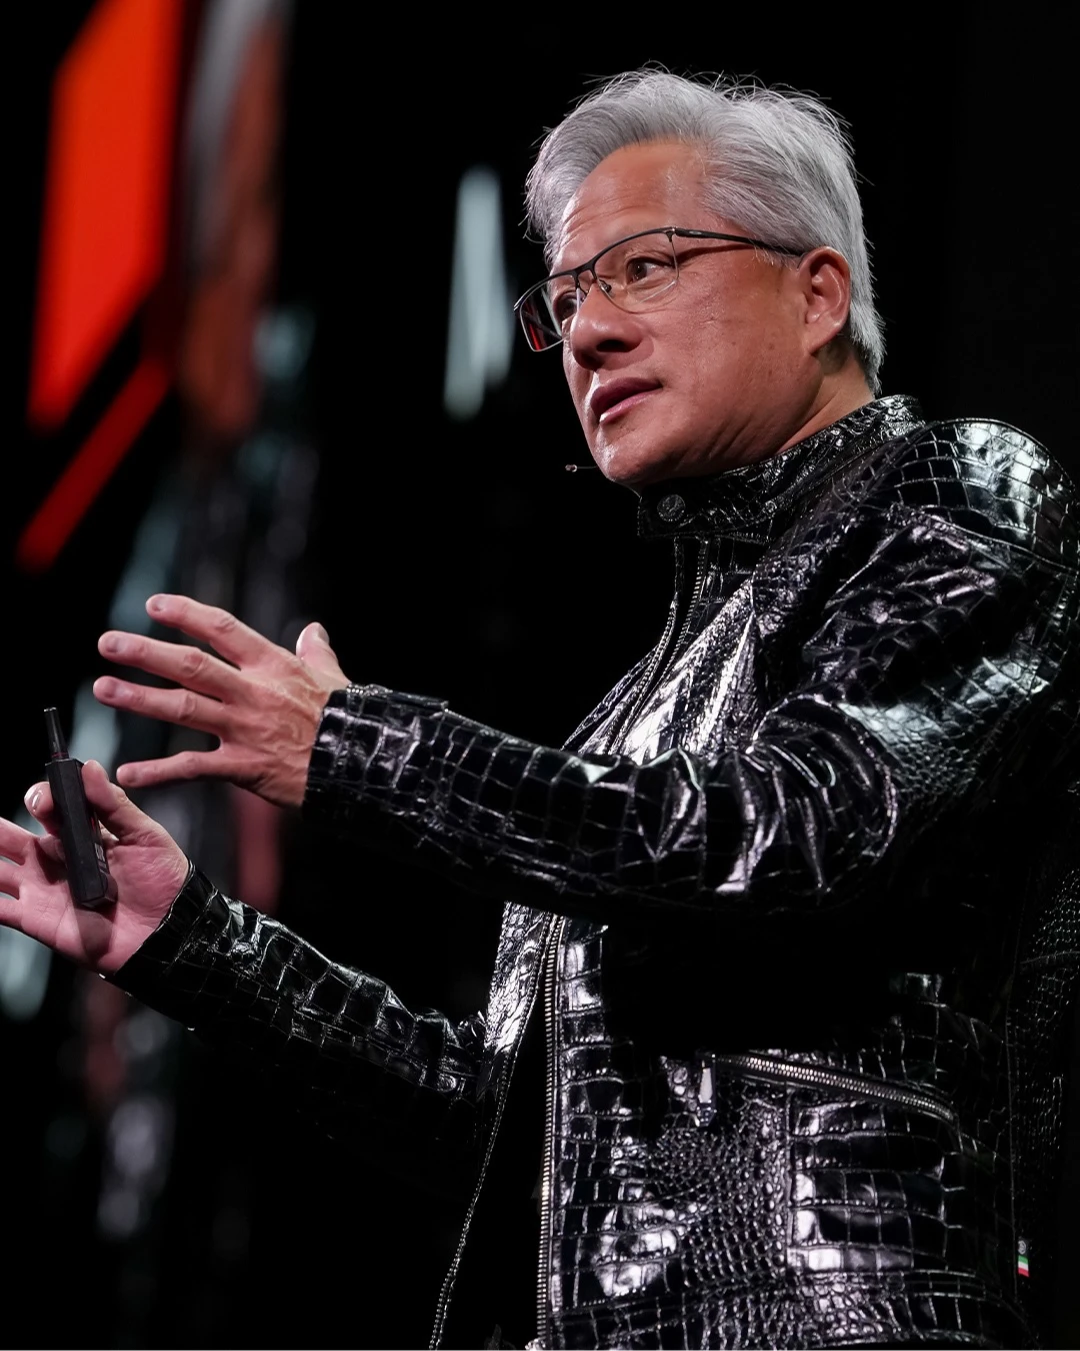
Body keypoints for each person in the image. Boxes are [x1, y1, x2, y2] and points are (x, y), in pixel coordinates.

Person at [2, 71, 1077, 1350]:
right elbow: (512, 1127)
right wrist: (192, 942)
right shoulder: (630, 716)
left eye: (644, 268)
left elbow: (794, 827)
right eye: (564, 300)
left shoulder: (960, 494)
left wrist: (357, 744)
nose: (589, 333)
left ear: (818, 294)